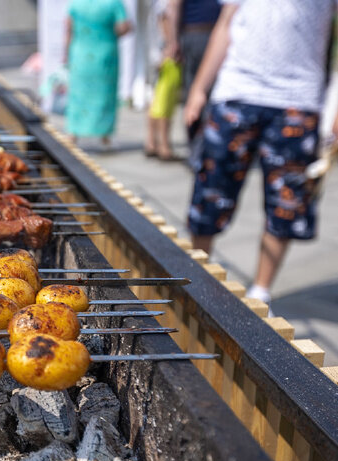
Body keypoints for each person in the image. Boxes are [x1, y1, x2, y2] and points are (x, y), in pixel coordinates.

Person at [184, 0, 338, 312]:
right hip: (236, 91)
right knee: (210, 194)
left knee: (287, 202)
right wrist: (199, 88)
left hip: (299, 99)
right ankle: (196, 277)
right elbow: (226, 23)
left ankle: (260, 292)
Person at [64, 0, 133, 147]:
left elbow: (69, 28)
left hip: (80, 53)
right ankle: (105, 135)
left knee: (78, 94)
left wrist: (65, 54)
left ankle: (73, 133)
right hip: (104, 54)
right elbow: (122, 27)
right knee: (104, 95)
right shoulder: (114, 3)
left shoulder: (76, 2)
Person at [164, 0, 220, 143]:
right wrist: (172, 41)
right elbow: (173, 7)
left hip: (210, 34)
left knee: (206, 94)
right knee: (196, 93)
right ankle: (199, 142)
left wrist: (173, 41)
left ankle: (204, 142)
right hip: (197, 34)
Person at [144, 0, 182, 161]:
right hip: (165, 53)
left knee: (156, 100)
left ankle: (152, 142)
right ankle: (164, 146)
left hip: (157, 51)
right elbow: (165, 17)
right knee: (164, 102)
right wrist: (171, 45)